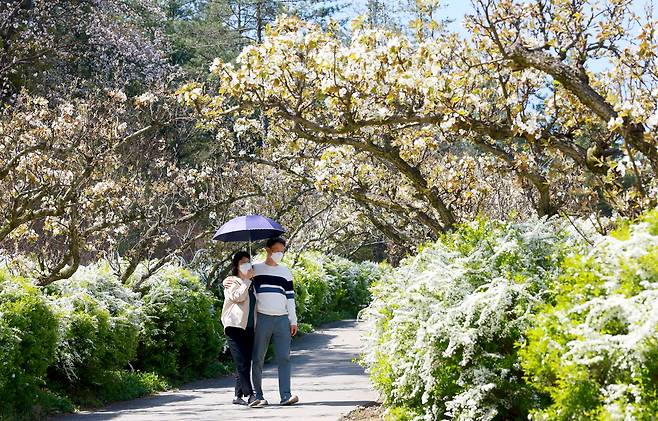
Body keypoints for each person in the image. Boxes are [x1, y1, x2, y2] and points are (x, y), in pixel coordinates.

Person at [250, 237, 299, 407]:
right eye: (276, 250)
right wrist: (231, 280)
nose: (279, 254)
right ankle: (258, 395)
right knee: (258, 358)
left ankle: (286, 395)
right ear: (267, 250)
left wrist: (293, 320)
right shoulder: (255, 269)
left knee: (284, 358)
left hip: (282, 319)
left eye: (282, 251)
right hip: (262, 318)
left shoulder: (285, 271)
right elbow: (241, 281)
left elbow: (290, 298)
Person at [220, 251, 258, 406]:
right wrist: (247, 281)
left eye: (248, 261)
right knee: (241, 362)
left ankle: (237, 396)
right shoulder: (231, 282)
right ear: (236, 265)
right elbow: (237, 297)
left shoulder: (252, 283)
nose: (246, 264)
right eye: (243, 262)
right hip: (234, 326)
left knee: (245, 362)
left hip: (249, 328)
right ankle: (251, 395)